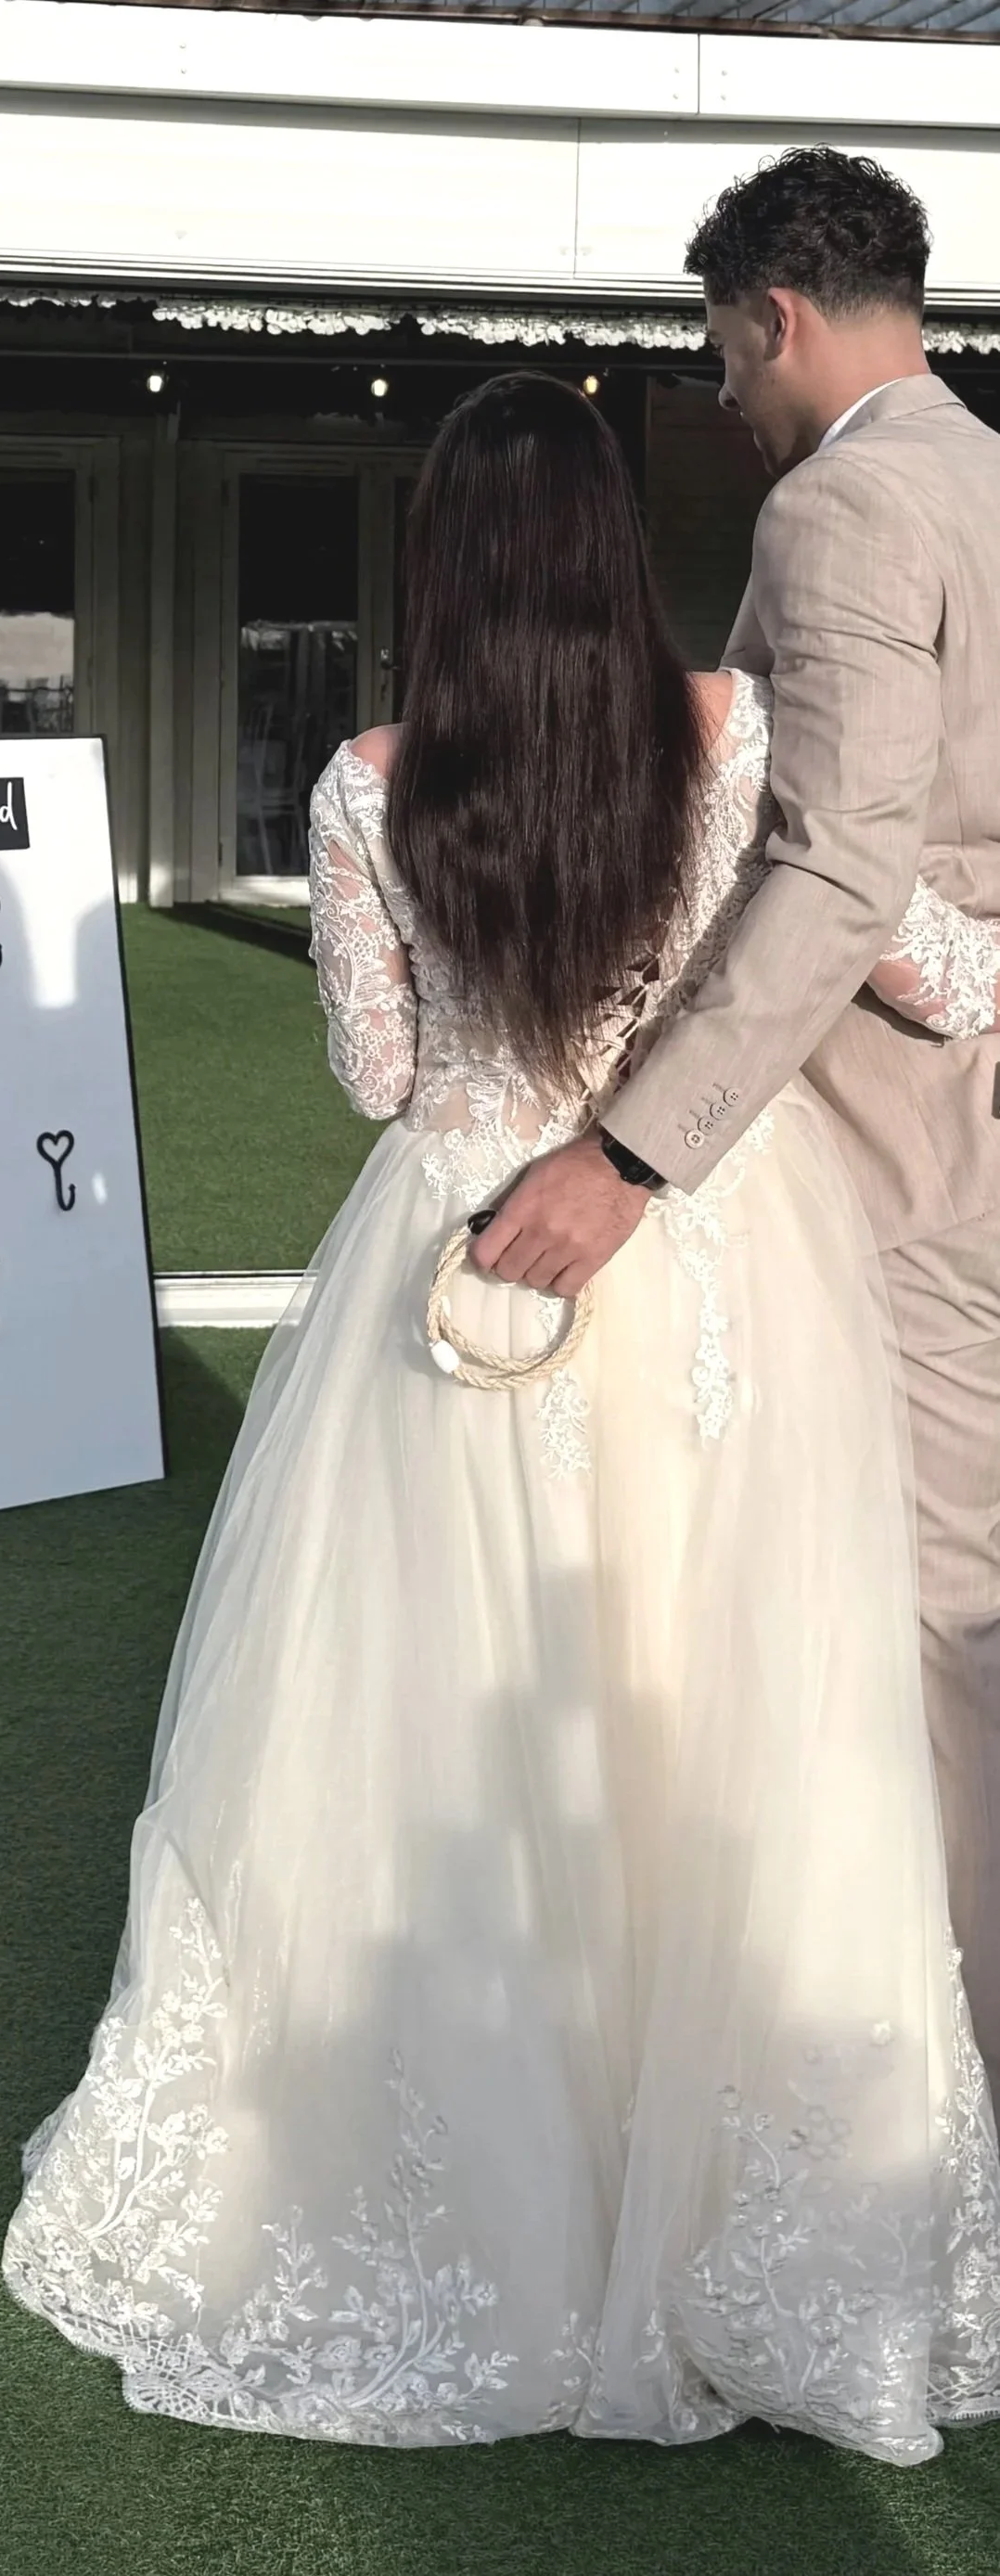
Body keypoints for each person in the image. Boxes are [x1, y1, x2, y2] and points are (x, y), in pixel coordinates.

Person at [2, 370, 1000, 2463]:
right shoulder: (733, 736)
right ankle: (749, 2203)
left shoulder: (370, 782)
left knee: (430, 1714)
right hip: (714, 1258)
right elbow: (912, 961)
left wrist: (492, 1039)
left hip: (472, 1259)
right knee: (728, 1708)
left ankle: (481, 2182)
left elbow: (376, 1072)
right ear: (617, 549)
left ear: (433, 563)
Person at [476, 150, 1000, 2102]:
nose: (716, 393)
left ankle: (949, 2125)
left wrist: (625, 1151)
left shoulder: (844, 503)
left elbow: (837, 865)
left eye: (715, 347)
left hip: (921, 1139)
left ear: (773, 310)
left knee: (941, 1624)